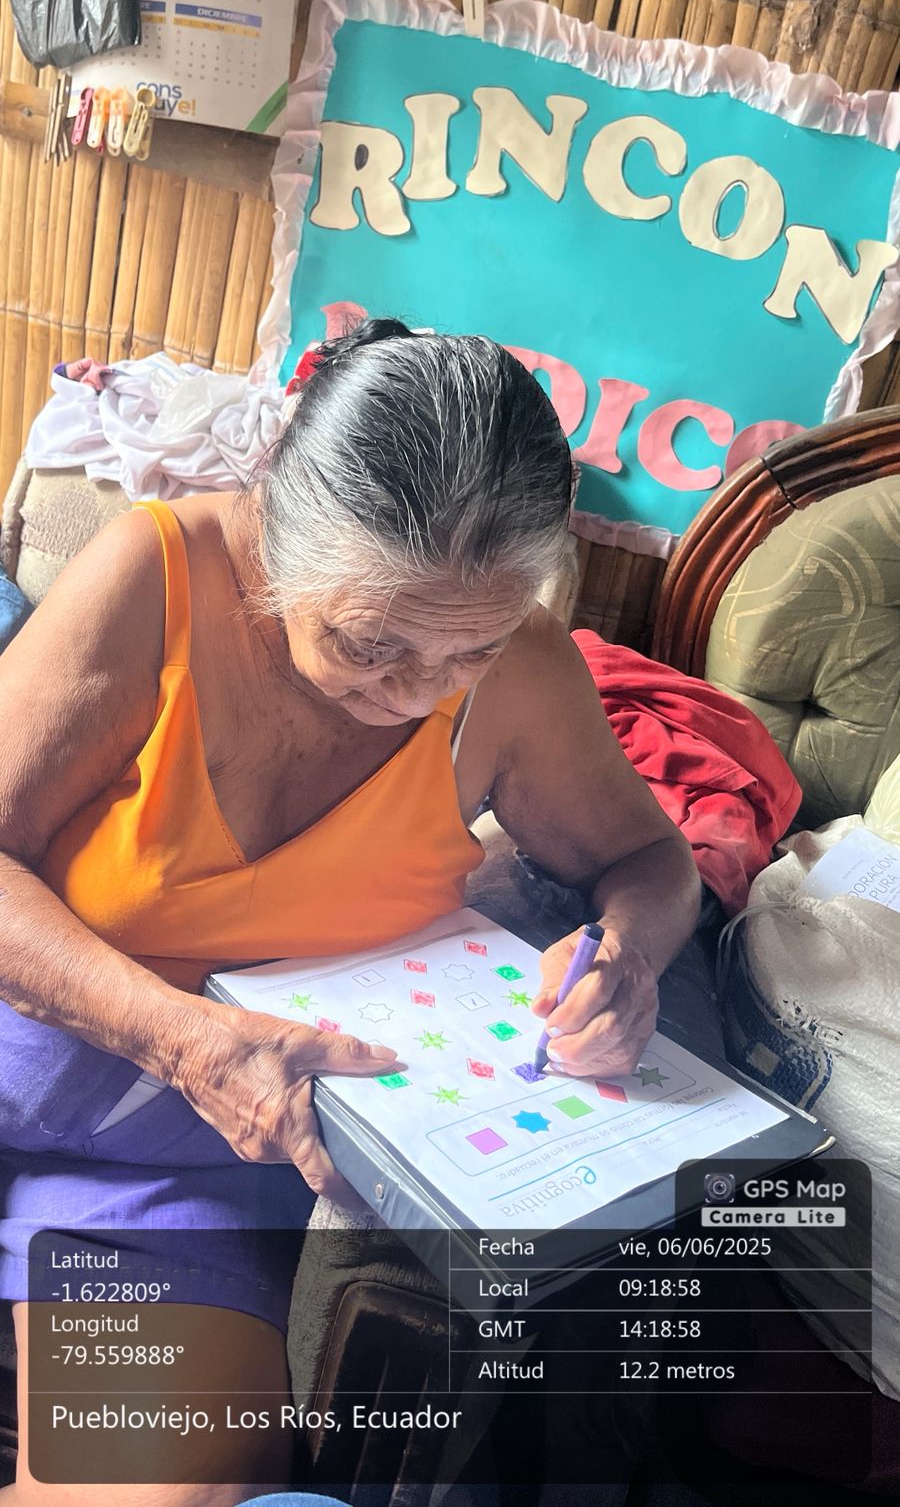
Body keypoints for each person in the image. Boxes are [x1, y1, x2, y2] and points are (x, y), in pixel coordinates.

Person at [0, 321, 701, 1506]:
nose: (416, 693)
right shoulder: (152, 580)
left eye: (464, 653)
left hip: (179, 1165)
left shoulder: (522, 674)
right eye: (372, 644)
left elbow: (649, 857)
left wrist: (628, 957)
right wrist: (181, 1038)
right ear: (279, 526)